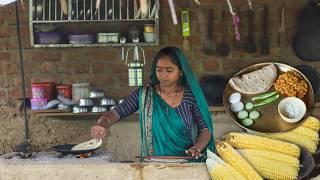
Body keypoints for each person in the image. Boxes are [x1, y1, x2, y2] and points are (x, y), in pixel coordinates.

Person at [91, 47, 215, 161]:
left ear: (181, 72)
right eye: (159, 70)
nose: (163, 75)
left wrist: (197, 148)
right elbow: (116, 112)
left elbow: (205, 130)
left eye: (169, 70)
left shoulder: (190, 97)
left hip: (184, 162)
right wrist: (103, 124)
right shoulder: (145, 95)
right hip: (152, 165)